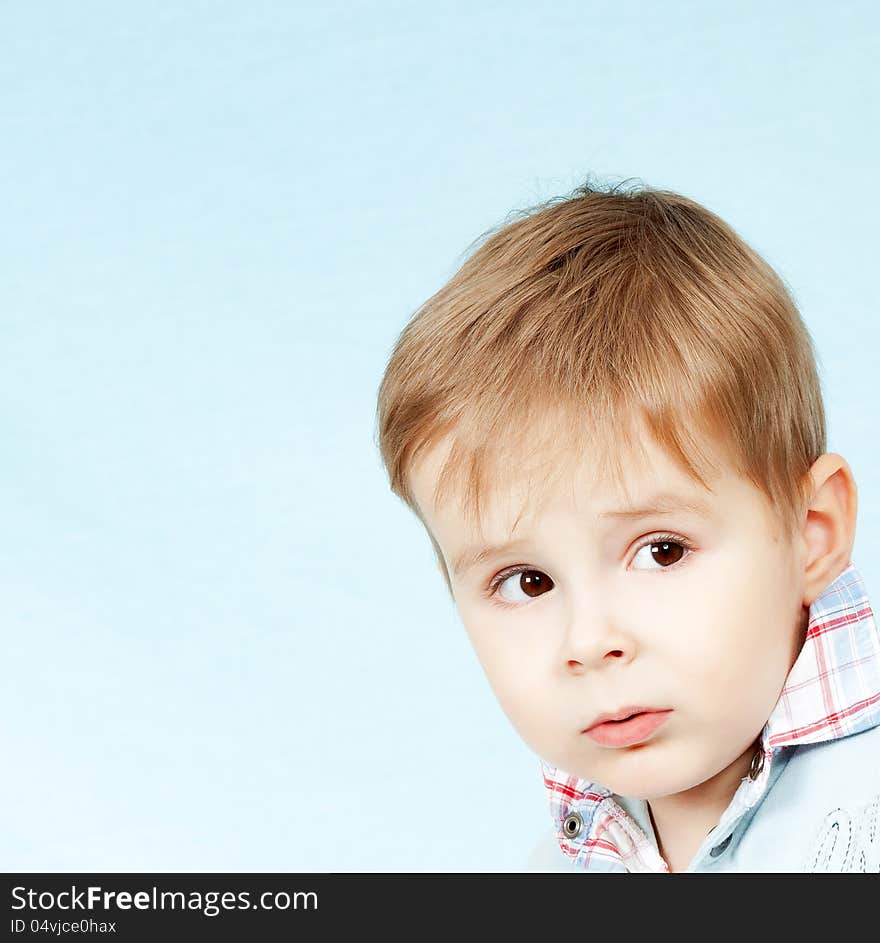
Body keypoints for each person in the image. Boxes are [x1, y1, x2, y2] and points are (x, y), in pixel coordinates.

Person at [373, 179, 880, 872]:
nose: (589, 640)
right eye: (526, 581)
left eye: (662, 551)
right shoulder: (565, 859)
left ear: (812, 531)